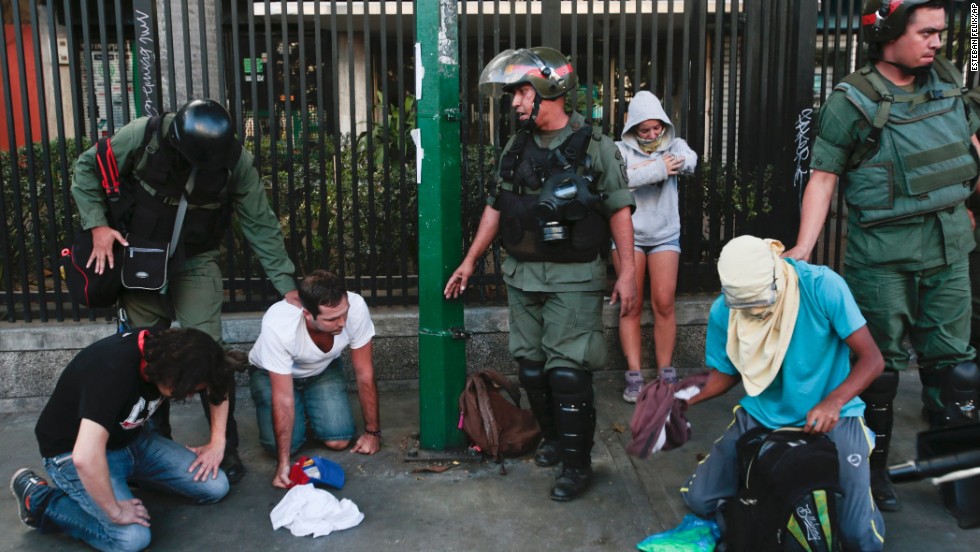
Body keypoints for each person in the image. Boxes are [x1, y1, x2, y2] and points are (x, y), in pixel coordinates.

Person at [783, 0, 980, 512]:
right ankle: (873, 473)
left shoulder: (949, 80)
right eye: (927, 32)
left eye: (941, 32)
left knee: (957, 369)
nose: (938, 41)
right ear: (889, 33)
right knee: (881, 371)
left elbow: (970, 144)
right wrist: (804, 248)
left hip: (949, 244)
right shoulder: (852, 100)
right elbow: (824, 176)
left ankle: (959, 475)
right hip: (882, 255)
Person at [71, 98, 301, 483]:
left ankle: (222, 446)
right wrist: (97, 225)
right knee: (147, 347)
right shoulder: (145, 135)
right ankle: (152, 440)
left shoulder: (235, 161)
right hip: (141, 254)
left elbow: (260, 223)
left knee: (208, 349)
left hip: (196, 257)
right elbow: (86, 167)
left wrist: (287, 286)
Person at [444, 47, 637, 501]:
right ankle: (553, 440)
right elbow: (497, 207)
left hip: (573, 278)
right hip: (523, 275)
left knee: (568, 374)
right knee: (532, 371)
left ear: (549, 89)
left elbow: (620, 211)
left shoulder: (596, 147)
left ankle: (577, 464)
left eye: (521, 92)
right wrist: (470, 260)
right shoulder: (517, 146)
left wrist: (626, 273)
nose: (514, 102)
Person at [680, 235, 886, 551]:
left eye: (761, 302)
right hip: (763, 413)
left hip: (837, 416)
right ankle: (767, 502)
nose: (756, 312)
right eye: (745, 306)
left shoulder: (821, 286)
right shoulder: (724, 309)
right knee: (700, 500)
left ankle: (855, 472)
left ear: (777, 276)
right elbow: (726, 374)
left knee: (859, 537)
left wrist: (834, 401)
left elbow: (872, 359)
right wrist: (677, 399)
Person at [9, 328, 236, 552]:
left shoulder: (171, 348)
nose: (188, 396)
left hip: (132, 441)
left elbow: (219, 383)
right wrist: (115, 511)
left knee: (215, 486)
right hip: (71, 454)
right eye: (188, 390)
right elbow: (85, 457)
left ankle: (132, 480)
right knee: (130, 539)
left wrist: (217, 441)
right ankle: (39, 500)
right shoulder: (112, 370)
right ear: (172, 375)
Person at [249, 270, 382, 489]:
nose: (341, 323)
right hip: (271, 374)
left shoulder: (356, 307)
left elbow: (364, 374)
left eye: (344, 313)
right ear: (307, 314)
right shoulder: (279, 324)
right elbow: (283, 398)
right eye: (331, 319)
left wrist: (372, 432)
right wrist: (284, 465)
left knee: (339, 440)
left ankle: (308, 410)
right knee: (283, 447)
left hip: (322, 371)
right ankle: (302, 414)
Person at [613, 91, 697, 403]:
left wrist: (662, 165)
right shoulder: (619, 149)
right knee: (630, 304)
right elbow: (617, 181)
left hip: (665, 235)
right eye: (644, 130)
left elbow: (691, 161)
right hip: (628, 236)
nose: (651, 135)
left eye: (656, 128)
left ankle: (665, 372)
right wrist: (657, 169)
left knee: (663, 302)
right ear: (633, 127)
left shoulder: (674, 145)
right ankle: (634, 375)